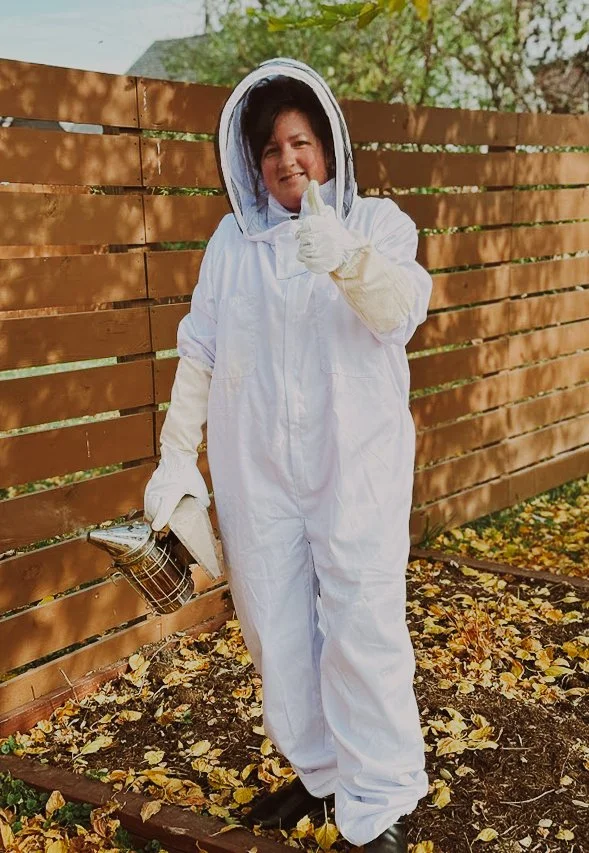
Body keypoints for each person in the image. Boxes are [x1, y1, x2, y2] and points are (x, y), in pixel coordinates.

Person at [144, 58, 432, 853]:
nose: (286, 161)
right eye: (269, 149)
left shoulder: (378, 223)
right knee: (272, 625)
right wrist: (176, 457)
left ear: (328, 148)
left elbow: (402, 310)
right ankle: (322, 773)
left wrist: (343, 255)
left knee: (361, 626)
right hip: (258, 471)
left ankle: (375, 809)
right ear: (250, 163)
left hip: (355, 466)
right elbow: (199, 348)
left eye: (299, 142)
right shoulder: (232, 244)